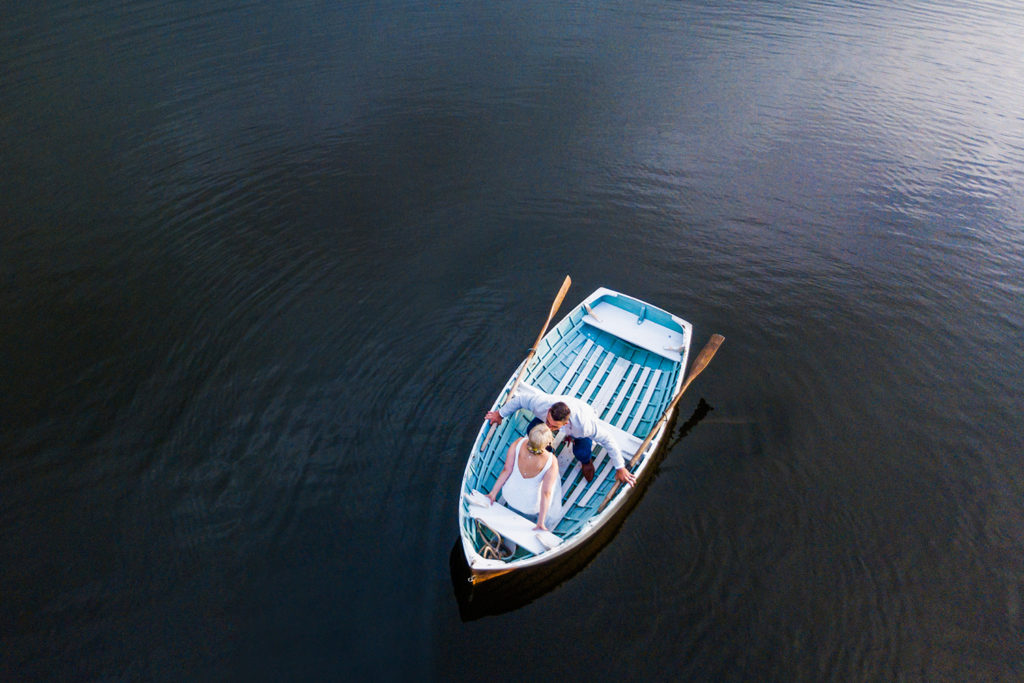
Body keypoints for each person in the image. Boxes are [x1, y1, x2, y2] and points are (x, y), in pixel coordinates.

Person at [485, 389, 637, 486]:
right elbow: (519, 400)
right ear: (549, 410)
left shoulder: (584, 426)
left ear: (565, 423)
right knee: (533, 430)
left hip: (580, 424)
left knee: (582, 452)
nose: (548, 428)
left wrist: (620, 467)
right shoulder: (541, 404)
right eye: (548, 422)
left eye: (554, 427)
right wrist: (500, 414)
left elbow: (608, 439)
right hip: (562, 418)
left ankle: (586, 462)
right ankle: (547, 453)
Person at [486, 423, 562, 531]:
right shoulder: (551, 461)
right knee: (551, 487)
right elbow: (546, 493)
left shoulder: (519, 442)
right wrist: (541, 522)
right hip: (529, 507)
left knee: (514, 503)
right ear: (548, 443)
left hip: (510, 495)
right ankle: (527, 526)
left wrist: (493, 493)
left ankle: (507, 526)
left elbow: (506, 470)